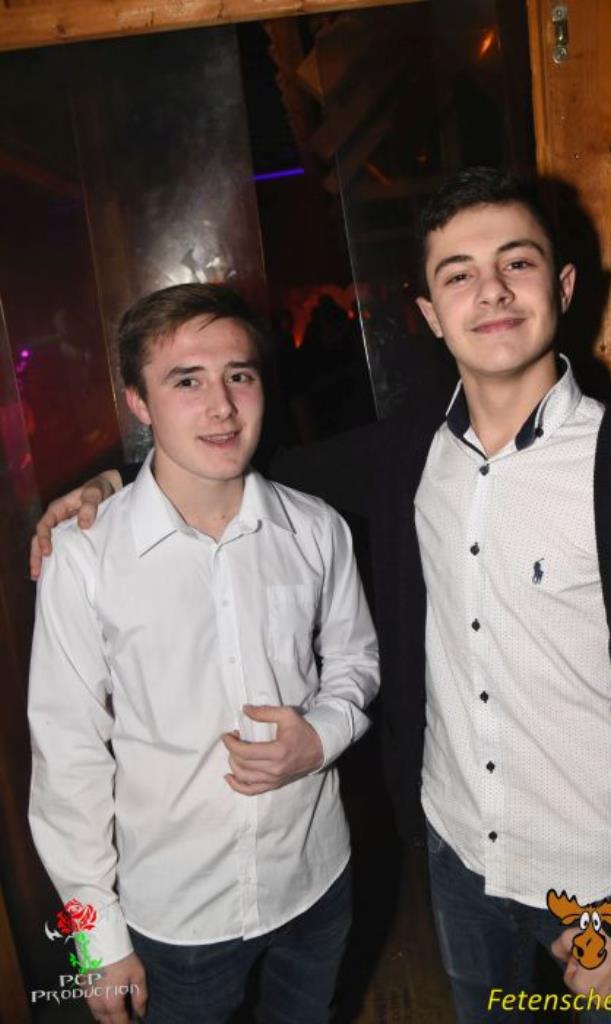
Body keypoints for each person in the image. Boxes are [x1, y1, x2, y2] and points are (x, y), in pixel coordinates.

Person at [31, 169, 611, 1022]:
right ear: (429, 312)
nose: (490, 291)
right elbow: (221, 463)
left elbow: (349, 651)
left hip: (600, 885)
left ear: (562, 286)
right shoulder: (402, 456)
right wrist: (111, 482)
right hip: (451, 860)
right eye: (458, 274)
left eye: (516, 263)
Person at [28, 283, 379, 1024]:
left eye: (238, 375)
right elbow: (66, 757)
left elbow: (355, 662)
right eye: (186, 381)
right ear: (139, 401)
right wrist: (93, 944)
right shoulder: (85, 557)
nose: (221, 406)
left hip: (316, 879)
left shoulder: (317, 528)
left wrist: (322, 736)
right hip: (174, 920)